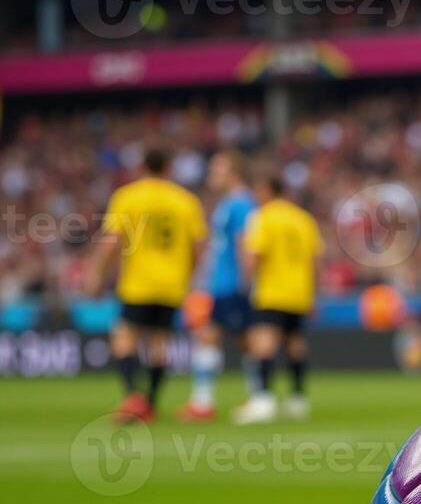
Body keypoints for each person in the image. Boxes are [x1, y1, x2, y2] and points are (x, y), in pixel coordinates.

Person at [89, 147, 206, 424]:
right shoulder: (186, 201)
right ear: (168, 167)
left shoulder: (128, 196)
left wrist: (96, 273)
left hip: (138, 281)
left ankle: (134, 397)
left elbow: (112, 241)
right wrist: (189, 275)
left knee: (124, 336)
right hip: (172, 283)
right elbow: (197, 247)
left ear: (142, 166)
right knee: (159, 343)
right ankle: (150, 404)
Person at [233, 173, 322, 425]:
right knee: (295, 343)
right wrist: (313, 293)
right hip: (299, 292)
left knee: (264, 343)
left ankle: (263, 399)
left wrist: (245, 280)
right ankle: (297, 398)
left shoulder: (263, 217)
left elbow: (255, 254)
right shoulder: (303, 219)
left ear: (268, 189)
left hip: (272, 291)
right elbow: (315, 260)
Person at [181, 152, 256, 422]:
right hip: (219, 283)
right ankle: (204, 402)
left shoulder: (241, 203)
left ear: (233, 173)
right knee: (210, 336)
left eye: (217, 171)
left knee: (246, 341)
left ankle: (258, 397)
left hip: (232, 284)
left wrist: (247, 282)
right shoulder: (228, 203)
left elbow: (243, 242)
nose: (212, 176)